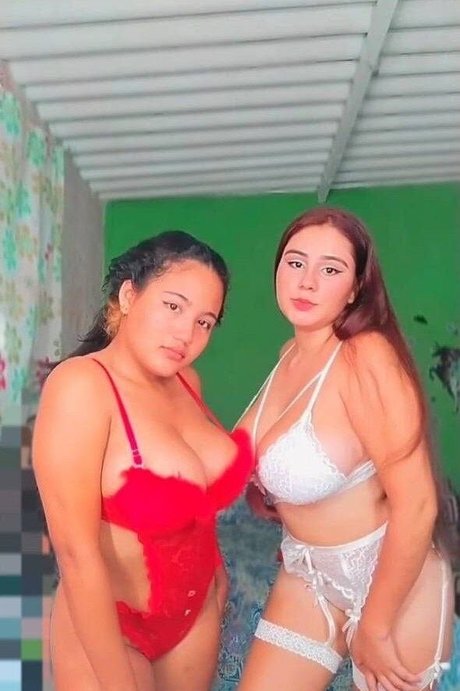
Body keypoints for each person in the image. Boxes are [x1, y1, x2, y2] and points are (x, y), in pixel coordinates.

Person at [237, 208, 454, 691]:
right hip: (310, 571)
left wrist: (375, 626)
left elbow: (418, 503)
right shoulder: (290, 355)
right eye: (295, 263)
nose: (307, 282)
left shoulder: (366, 356)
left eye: (330, 269)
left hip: (393, 575)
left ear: (356, 288)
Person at [32, 231, 253, 691]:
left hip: (195, 618)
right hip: (112, 626)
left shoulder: (187, 381)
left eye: (204, 322)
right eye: (173, 306)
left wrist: (216, 574)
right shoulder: (81, 386)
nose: (186, 334)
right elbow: (76, 554)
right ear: (129, 295)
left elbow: (196, 495)